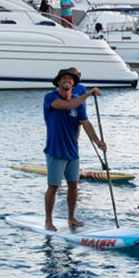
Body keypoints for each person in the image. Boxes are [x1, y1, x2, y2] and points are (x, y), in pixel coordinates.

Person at [42, 68, 106, 231]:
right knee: (53, 186)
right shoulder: (50, 97)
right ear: (58, 82)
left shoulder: (78, 102)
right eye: (63, 78)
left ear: (74, 83)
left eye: (70, 79)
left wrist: (98, 142)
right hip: (55, 150)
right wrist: (89, 93)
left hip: (72, 151)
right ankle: (48, 221)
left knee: (73, 185)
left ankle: (71, 217)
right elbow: (67, 105)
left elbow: (85, 123)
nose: (67, 80)